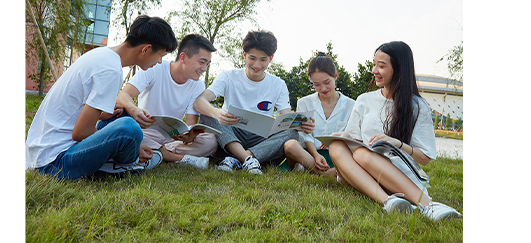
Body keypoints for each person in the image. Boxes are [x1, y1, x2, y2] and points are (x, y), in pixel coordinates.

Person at [25, 15, 178, 180]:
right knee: (129, 129)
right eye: (161, 55)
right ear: (146, 49)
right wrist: (136, 148)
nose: (161, 62)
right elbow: (80, 133)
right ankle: (129, 163)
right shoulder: (111, 70)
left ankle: (117, 159)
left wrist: (104, 114)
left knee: (124, 114)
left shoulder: (102, 55)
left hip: (42, 152)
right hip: (54, 163)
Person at [328, 41, 463, 221]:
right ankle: (389, 202)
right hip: (362, 173)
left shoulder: (417, 106)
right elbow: (355, 138)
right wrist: (342, 137)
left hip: (396, 174)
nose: (374, 70)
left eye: (381, 66)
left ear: (399, 69)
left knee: (362, 155)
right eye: (374, 64)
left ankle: (428, 205)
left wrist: (396, 144)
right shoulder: (364, 100)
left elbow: (425, 158)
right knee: (337, 146)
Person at [192, 30, 315, 175]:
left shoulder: (278, 84)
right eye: (252, 58)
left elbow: (286, 117)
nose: (257, 65)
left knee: (292, 132)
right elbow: (199, 101)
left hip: (261, 139)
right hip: (231, 133)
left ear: (271, 58)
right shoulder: (228, 76)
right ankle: (248, 159)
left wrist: (301, 124)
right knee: (208, 112)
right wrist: (217, 113)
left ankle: (238, 158)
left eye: (263, 60)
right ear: (244, 55)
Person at [99, 34, 218, 170]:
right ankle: (175, 157)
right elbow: (123, 95)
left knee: (210, 141)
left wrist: (188, 136)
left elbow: (191, 123)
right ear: (183, 57)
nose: (204, 68)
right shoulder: (155, 67)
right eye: (201, 62)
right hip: (145, 131)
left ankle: (156, 151)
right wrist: (134, 110)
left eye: (207, 64)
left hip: (172, 138)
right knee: (128, 132)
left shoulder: (198, 85)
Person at [282, 52, 355, 177]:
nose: (323, 88)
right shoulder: (304, 102)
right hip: (309, 155)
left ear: (335, 76)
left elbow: (351, 136)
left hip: (338, 155)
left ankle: (323, 173)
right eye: (317, 84)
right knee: (290, 145)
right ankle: (326, 174)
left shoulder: (351, 105)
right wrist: (315, 155)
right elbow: (305, 135)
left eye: (327, 82)